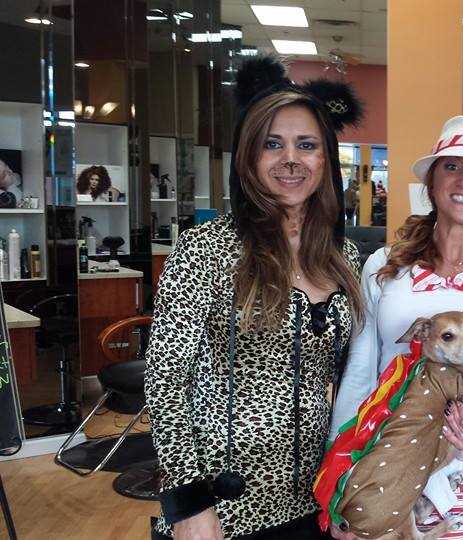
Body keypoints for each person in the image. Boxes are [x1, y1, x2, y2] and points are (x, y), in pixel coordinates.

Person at [145, 56, 365, 539]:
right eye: (273, 145)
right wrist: (188, 505)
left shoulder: (343, 255)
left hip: (314, 499)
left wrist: (351, 483)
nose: (291, 159)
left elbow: (358, 379)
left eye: (306, 145)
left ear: (326, 159)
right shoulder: (206, 249)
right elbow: (165, 383)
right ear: (249, 157)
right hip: (222, 508)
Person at [329, 115, 463, 540]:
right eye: (452, 166)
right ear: (431, 183)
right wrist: (338, 478)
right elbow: (359, 374)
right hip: (381, 469)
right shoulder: (384, 266)